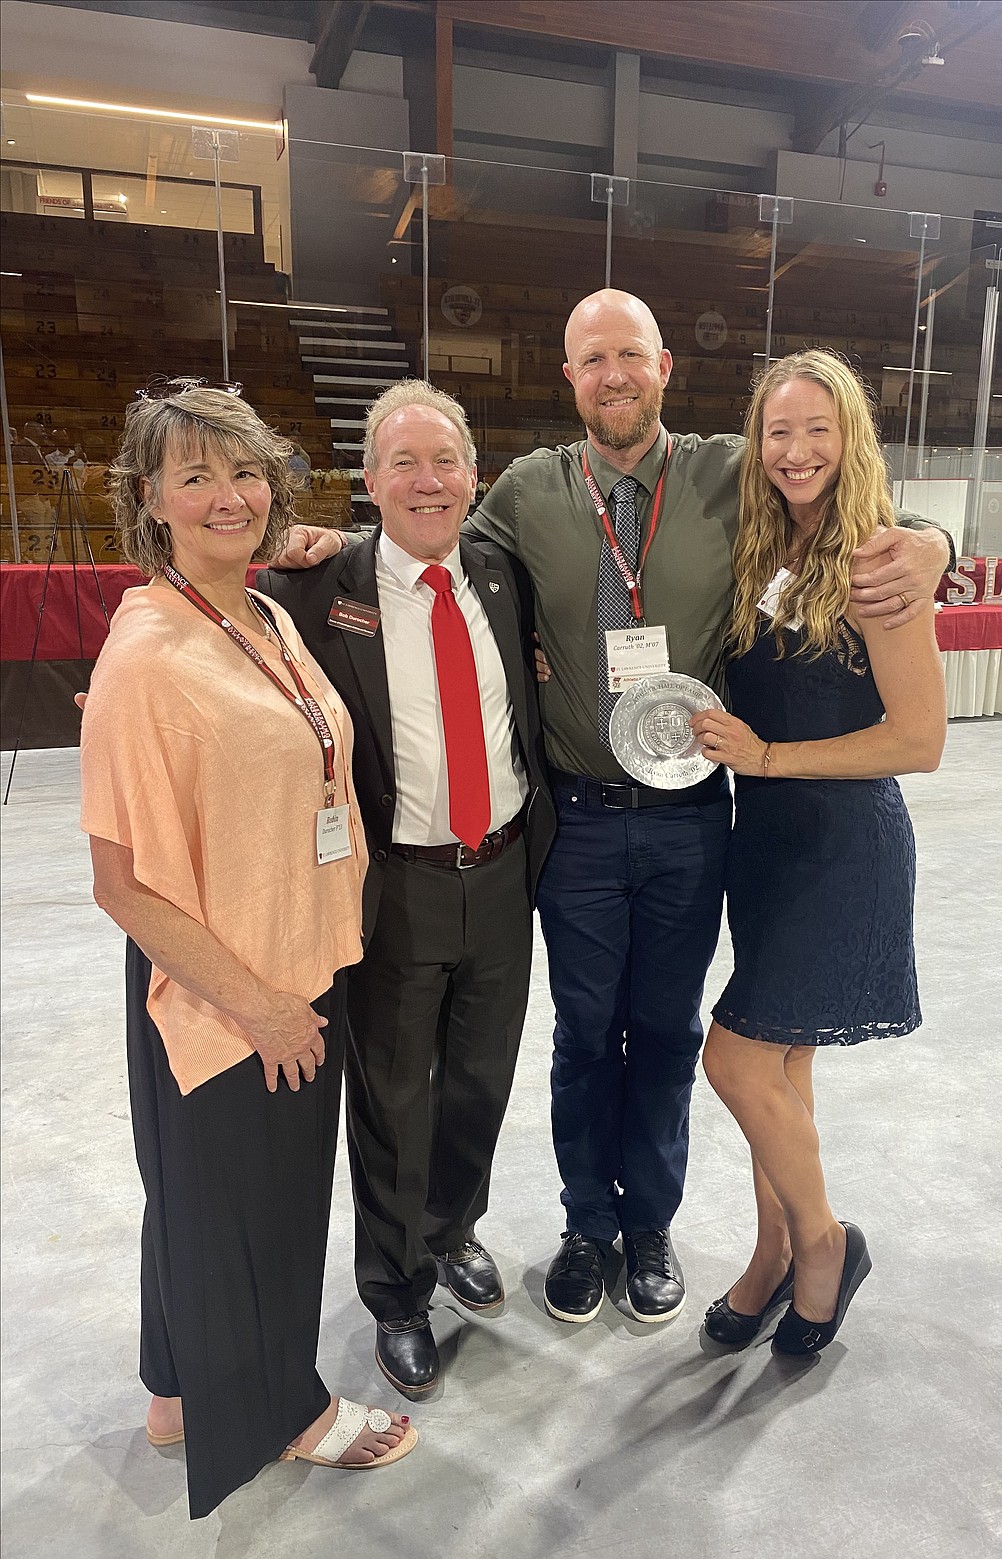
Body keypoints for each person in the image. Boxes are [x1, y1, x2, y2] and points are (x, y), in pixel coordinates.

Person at [276, 289, 952, 1330]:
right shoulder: (528, 491)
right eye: (593, 359)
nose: (616, 375)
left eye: (631, 354)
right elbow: (429, 535)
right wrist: (333, 540)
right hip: (579, 818)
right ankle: (587, 1223)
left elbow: (844, 495)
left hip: (696, 817)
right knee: (586, 1032)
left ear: (666, 365)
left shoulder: (737, 466)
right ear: (571, 378)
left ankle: (652, 1228)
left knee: (671, 1032)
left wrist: (933, 539)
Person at [80, 381, 414, 1522]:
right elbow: (119, 881)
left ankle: (177, 1389)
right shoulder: (148, 656)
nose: (228, 496)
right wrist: (264, 1006)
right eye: (195, 475)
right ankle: (286, 1409)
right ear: (150, 501)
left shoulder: (262, 614)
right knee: (256, 1208)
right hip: (229, 979)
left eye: (245, 471)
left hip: (287, 950)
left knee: (192, 1196)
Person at [259, 382, 554, 1397]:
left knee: (479, 1080)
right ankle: (395, 1290)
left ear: (474, 473)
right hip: (396, 884)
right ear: (371, 480)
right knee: (391, 1095)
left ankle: (450, 1229)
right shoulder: (312, 588)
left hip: (506, 869)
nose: (429, 481)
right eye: (405, 462)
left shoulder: (502, 571)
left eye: (446, 461)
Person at [690, 349, 946, 1356]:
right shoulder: (771, 547)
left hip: (842, 850)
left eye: (816, 430)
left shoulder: (880, 560)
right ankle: (772, 1254)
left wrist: (765, 754)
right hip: (767, 846)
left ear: (852, 438)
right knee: (783, 1065)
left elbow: (918, 741)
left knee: (738, 1055)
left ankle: (827, 1241)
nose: (796, 451)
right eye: (778, 431)